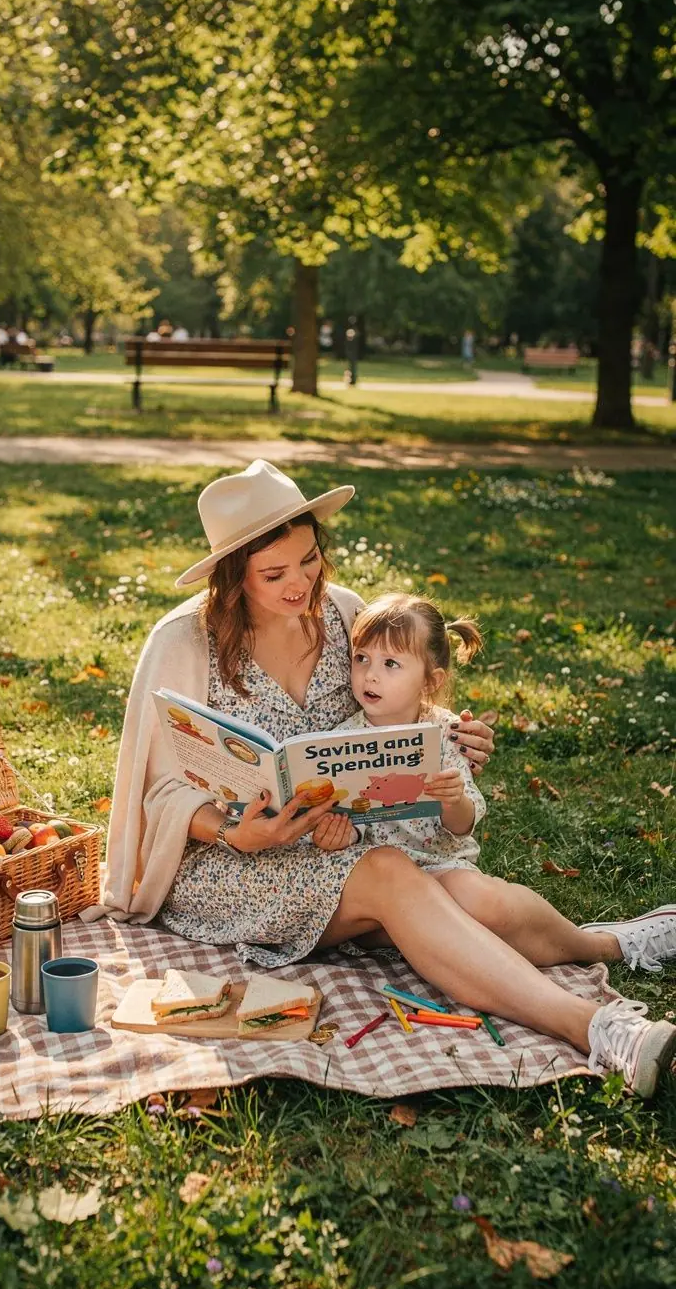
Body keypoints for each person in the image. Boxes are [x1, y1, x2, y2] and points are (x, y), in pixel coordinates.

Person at [105, 460, 676, 1096]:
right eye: (274, 573)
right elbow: (159, 791)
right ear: (232, 579)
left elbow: (404, 707)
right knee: (389, 875)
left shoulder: (347, 614)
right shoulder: (183, 642)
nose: (301, 584)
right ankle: (594, 1027)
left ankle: (608, 946)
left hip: (356, 840)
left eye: (309, 559)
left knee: (472, 898)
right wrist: (240, 832)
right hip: (230, 863)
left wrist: (449, 741)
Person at [319, 592, 676, 986]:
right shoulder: (341, 743)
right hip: (380, 900)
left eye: (391, 664)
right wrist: (336, 834)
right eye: (361, 658)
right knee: (460, 921)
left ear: (430, 681)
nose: (370, 675)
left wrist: (451, 800)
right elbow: (349, 827)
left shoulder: (443, 733)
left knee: (483, 903)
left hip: (442, 869)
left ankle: (604, 944)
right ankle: (592, 948)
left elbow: (464, 822)